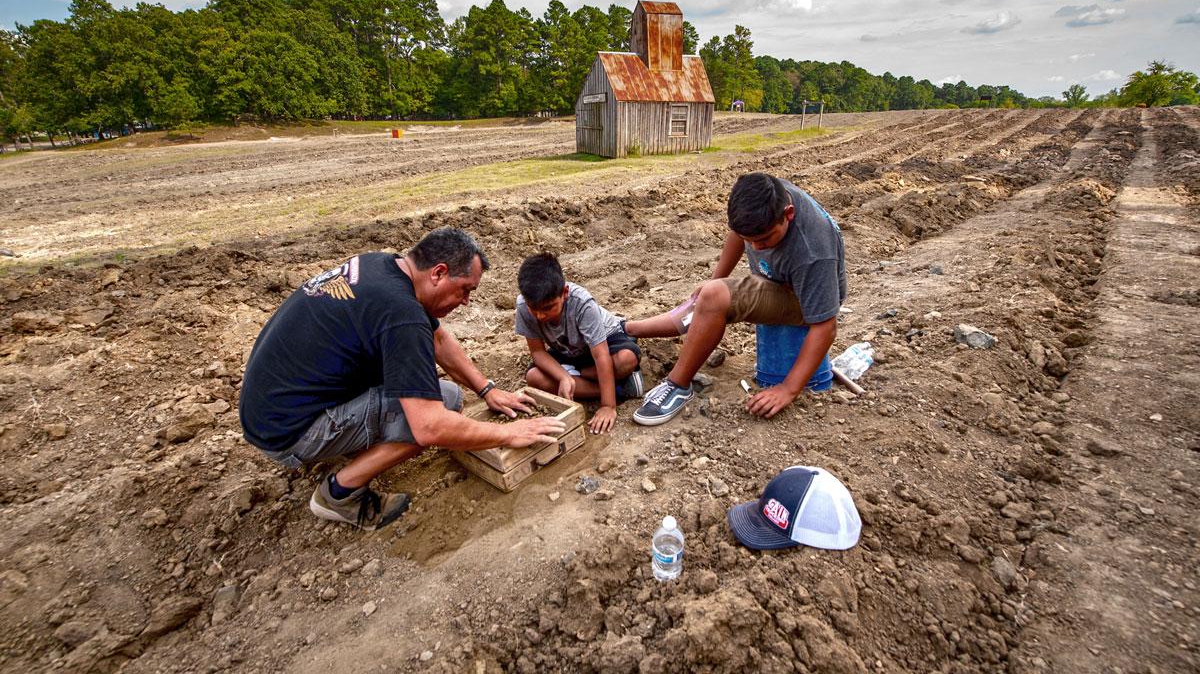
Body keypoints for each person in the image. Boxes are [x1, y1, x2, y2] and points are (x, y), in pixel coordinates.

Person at [239, 228, 565, 530]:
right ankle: (339, 493)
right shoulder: (402, 315)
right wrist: (508, 434)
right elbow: (430, 427)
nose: (466, 301)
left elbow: (438, 341)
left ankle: (351, 441)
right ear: (438, 273)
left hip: (270, 412)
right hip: (291, 433)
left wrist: (487, 389)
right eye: (465, 290)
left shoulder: (382, 267)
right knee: (446, 403)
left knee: (424, 390)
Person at [626, 172, 846, 425]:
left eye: (764, 239)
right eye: (749, 240)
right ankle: (627, 328)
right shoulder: (763, 198)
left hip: (803, 299)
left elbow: (825, 326)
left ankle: (678, 385)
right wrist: (715, 278)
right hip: (778, 279)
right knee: (706, 297)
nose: (757, 247)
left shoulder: (813, 254)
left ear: (789, 214)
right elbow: (738, 234)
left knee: (713, 298)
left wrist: (788, 389)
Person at [515, 252, 644, 434]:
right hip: (568, 352)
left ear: (565, 293)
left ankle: (594, 383)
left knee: (626, 359)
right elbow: (537, 353)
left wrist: (608, 406)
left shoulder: (582, 303)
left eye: (548, 308)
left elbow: (600, 355)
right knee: (534, 377)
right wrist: (563, 377)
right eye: (534, 309)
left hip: (605, 342)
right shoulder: (523, 307)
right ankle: (620, 388)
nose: (540, 316)